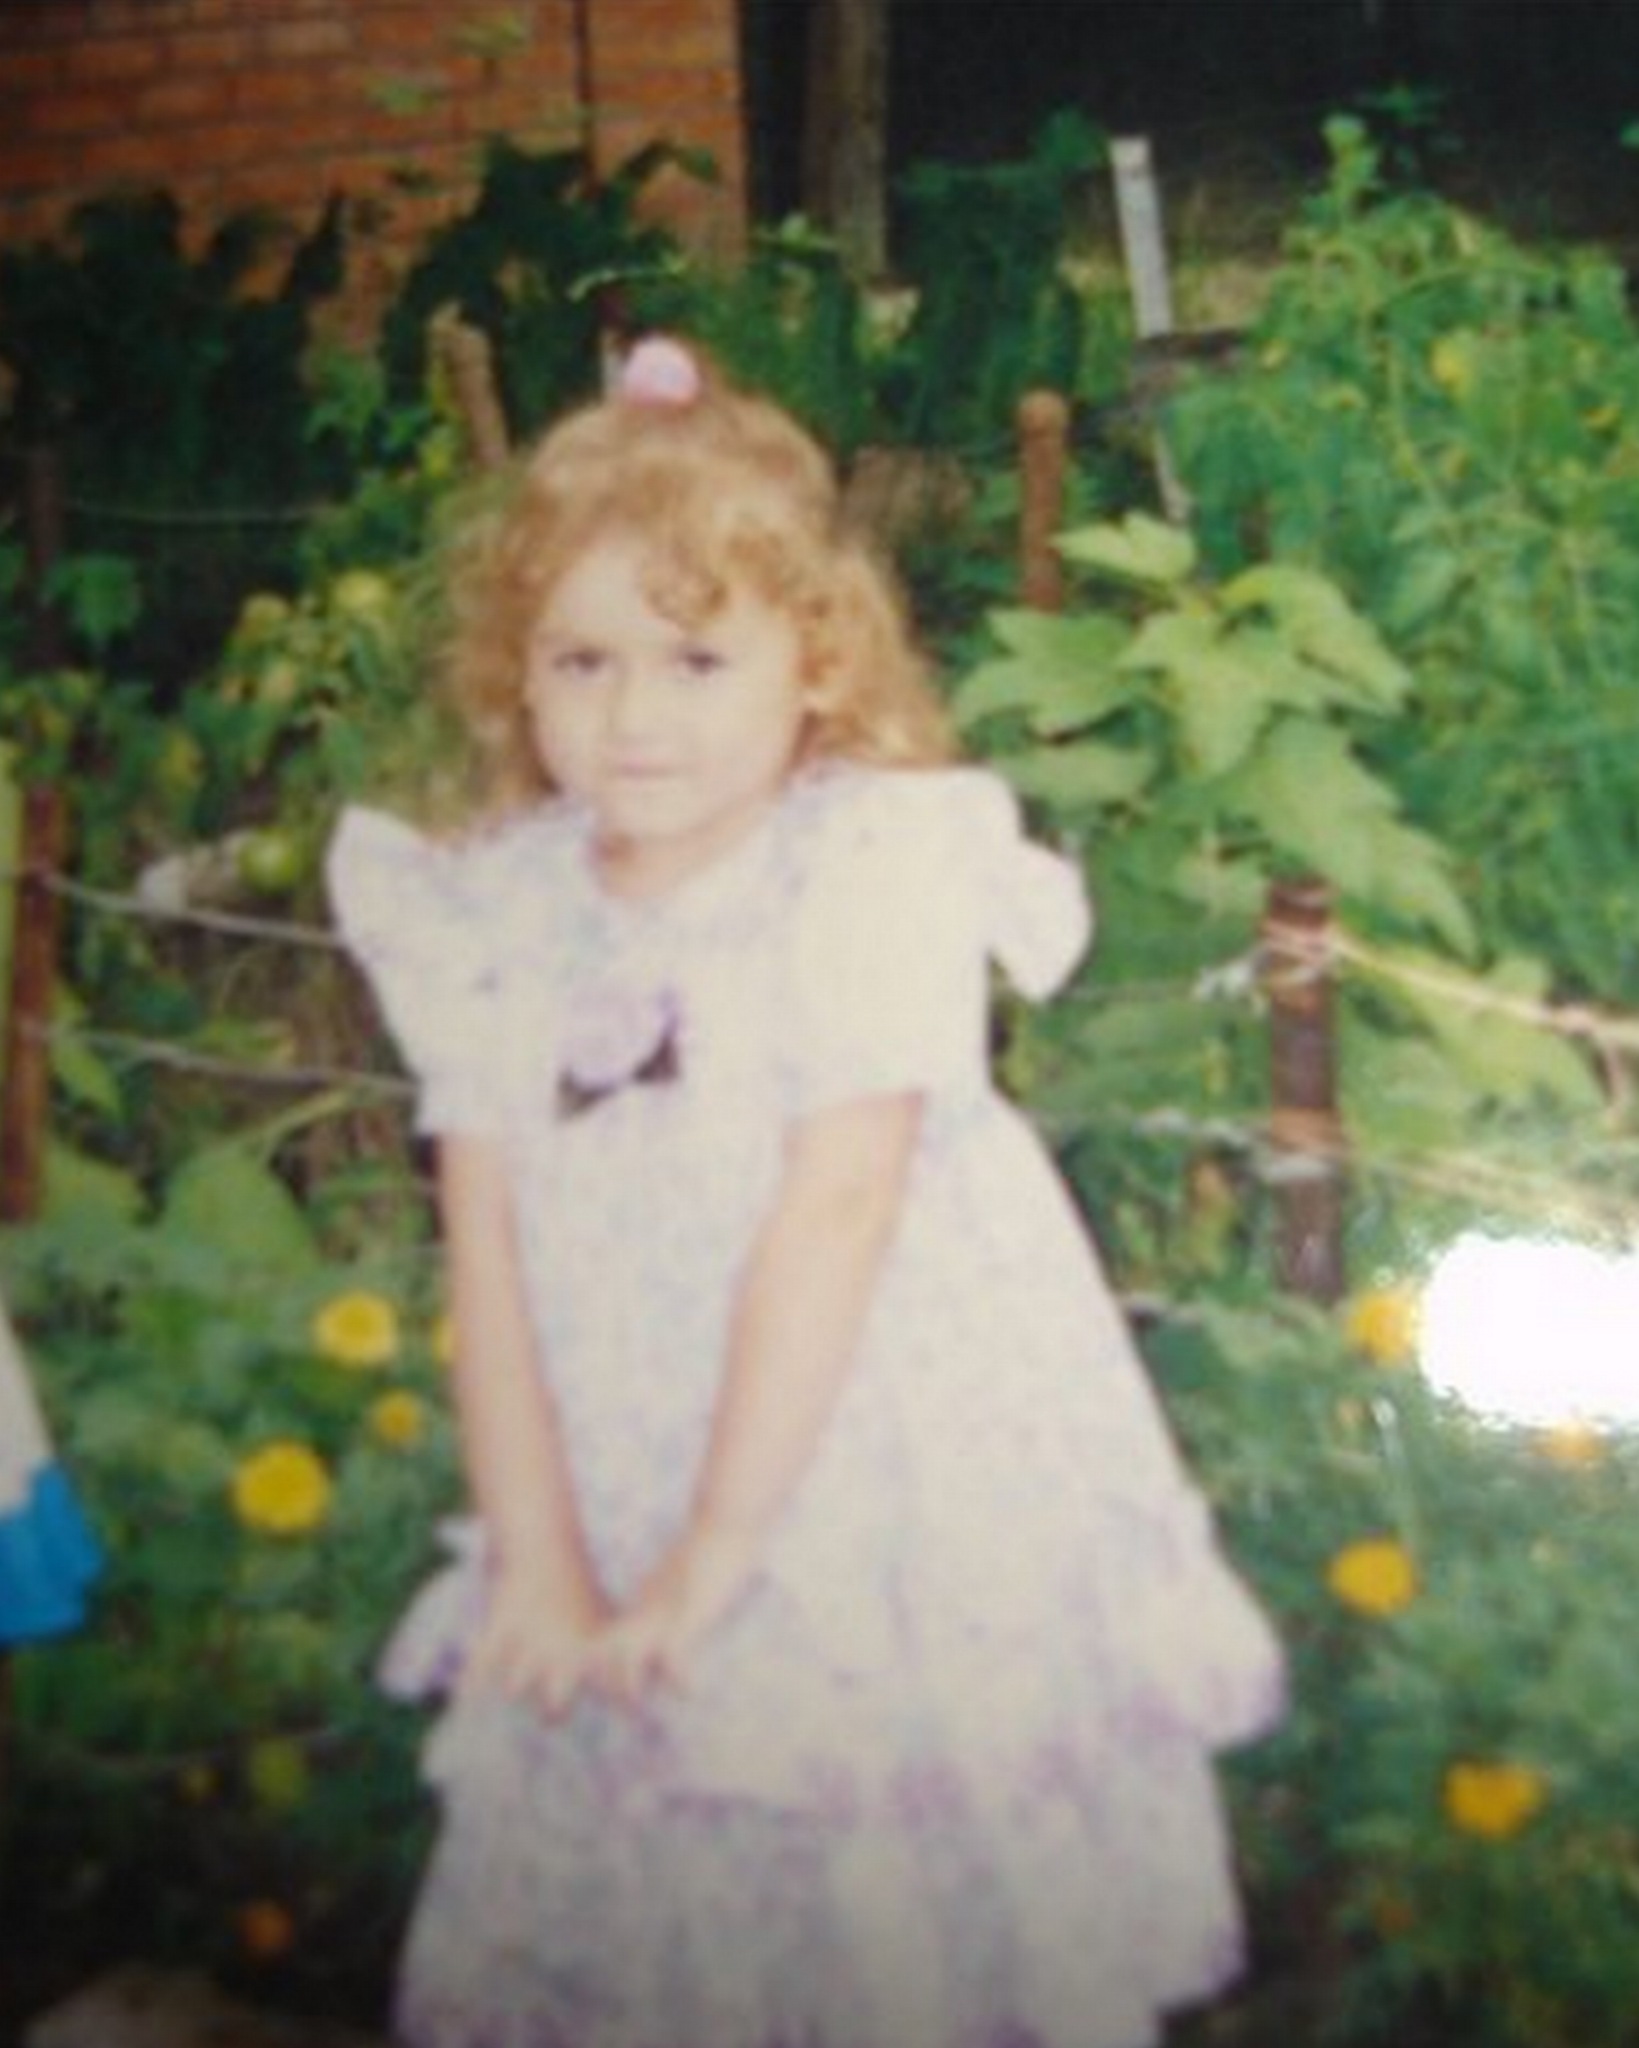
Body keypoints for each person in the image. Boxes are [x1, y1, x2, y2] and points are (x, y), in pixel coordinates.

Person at [328, 335, 1284, 2048]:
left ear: (816, 663)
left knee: (867, 1860)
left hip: (860, 1471)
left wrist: (717, 1560)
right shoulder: (499, 912)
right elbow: (485, 1242)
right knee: (644, 1857)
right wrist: (541, 1559)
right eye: (584, 660)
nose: (636, 717)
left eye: (697, 659)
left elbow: (836, 1212)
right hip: (619, 1455)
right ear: (516, 672)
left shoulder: (867, 870)